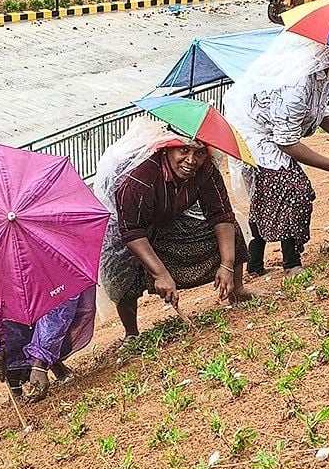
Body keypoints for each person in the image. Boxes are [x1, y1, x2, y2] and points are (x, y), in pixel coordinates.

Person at [224, 33, 329, 274]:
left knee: (265, 197)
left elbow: (317, 107)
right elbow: (286, 142)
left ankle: (255, 262)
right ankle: (291, 262)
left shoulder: (326, 69)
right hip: (258, 134)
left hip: (276, 131)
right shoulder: (296, 81)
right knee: (294, 190)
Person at [95, 125, 247, 339]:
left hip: (170, 218)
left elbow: (221, 214)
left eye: (200, 152)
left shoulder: (206, 170)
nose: (191, 160)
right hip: (127, 228)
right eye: (183, 150)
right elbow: (132, 230)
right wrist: (161, 274)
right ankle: (131, 332)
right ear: (166, 148)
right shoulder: (139, 178)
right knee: (119, 265)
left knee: (232, 231)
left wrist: (227, 264)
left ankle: (237, 290)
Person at [0, 289, 96, 403]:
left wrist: (40, 361)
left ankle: (50, 363)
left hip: (39, 291)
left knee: (46, 298)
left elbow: (60, 298)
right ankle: (16, 376)